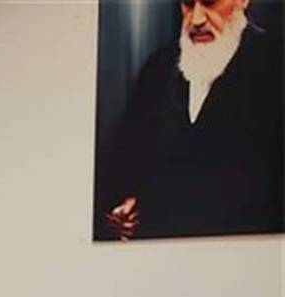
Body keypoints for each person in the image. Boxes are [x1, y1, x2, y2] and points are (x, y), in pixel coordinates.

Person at [100, 0, 283, 240]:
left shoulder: (276, 65)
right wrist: (127, 207)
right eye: (187, 4)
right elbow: (125, 169)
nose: (196, 19)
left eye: (210, 2)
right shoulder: (158, 68)